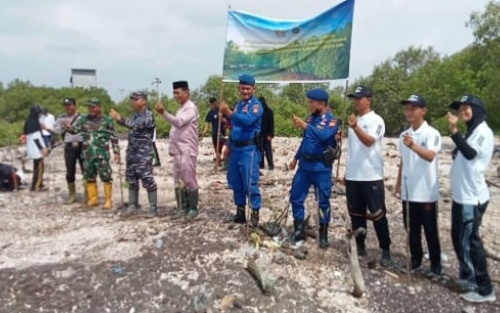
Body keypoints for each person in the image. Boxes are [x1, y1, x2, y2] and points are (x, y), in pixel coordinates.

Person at [446, 95, 495, 303]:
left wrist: (455, 132)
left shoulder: (483, 131)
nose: (463, 111)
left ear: (477, 109)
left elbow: (471, 154)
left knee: (470, 241)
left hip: (472, 198)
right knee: (458, 236)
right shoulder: (473, 131)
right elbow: (463, 150)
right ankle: (467, 276)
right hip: (461, 195)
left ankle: (484, 289)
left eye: (467, 107)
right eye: (461, 108)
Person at [395, 94, 442, 276]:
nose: (410, 112)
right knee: (411, 229)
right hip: (409, 190)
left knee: (430, 230)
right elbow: (403, 161)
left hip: (426, 191)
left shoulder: (432, 134)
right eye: (407, 108)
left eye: (413, 108)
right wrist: (398, 184)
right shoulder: (403, 135)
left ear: (423, 110)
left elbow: (430, 156)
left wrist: (414, 146)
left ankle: (436, 266)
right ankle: (415, 260)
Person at [345, 86, 392, 266]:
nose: (356, 101)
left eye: (359, 98)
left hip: (371, 175)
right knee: (356, 213)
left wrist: (355, 127)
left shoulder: (376, 120)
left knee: (378, 213)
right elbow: (353, 149)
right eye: (354, 98)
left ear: (368, 99)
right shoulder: (354, 121)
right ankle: (360, 245)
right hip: (353, 175)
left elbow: (369, 141)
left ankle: (385, 248)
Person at [288, 89, 338, 248]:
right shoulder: (310, 119)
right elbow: (305, 142)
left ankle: (323, 233)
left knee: (323, 201)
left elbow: (323, 136)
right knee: (296, 196)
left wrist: (305, 126)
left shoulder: (331, 121)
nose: (309, 105)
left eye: (312, 102)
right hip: (305, 166)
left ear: (321, 104)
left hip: (321, 167)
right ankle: (299, 229)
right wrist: (296, 158)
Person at [219, 74, 263, 229]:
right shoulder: (238, 105)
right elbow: (235, 128)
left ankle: (255, 215)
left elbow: (247, 121)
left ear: (253, 89)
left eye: (248, 88)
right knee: (235, 181)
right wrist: (228, 146)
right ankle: (240, 212)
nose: (245, 91)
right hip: (236, 149)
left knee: (250, 183)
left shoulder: (256, 105)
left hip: (248, 150)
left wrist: (229, 113)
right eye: (243, 88)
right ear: (239, 88)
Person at [64, 98, 120, 209]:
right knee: (89, 176)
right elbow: (75, 131)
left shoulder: (107, 120)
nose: (91, 109)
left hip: (102, 153)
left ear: (99, 107)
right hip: (87, 153)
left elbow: (114, 137)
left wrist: (116, 152)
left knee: (106, 176)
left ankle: (108, 200)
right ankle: (93, 199)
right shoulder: (83, 119)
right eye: (89, 107)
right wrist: (68, 128)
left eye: (93, 107)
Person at [156, 81, 200, 218]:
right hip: (178, 150)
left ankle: (193, 209)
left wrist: (163, 113)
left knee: (188, 178)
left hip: (187, 150)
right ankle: (182, 208)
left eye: (178, 93)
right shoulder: (181, 108)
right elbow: (175, 129)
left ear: (187, 93)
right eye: (174, 93)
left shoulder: (190, 108)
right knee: (178, 179)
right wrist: (171, 147)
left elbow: (178, 122)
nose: (175, 96)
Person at [110, 91, 158, 217]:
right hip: (133, 152)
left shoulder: (148, 115)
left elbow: (135, 126)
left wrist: (119, 118)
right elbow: (131, 124)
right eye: (132, 99)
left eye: (136, 99)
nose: (133, 102)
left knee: (147, 179)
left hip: (143, 153)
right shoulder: (135, 115)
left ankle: (153, 208)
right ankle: (133, 204)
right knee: (131, 178)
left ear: (144, 101)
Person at [53, 97, 85, 204]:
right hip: (69, 146)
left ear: (75, 105)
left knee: (85, 169)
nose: (69, 107)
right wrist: (64, 127)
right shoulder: (62, 118)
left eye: (70, 105)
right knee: (70, 170)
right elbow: (56, 130)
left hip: (82, 145)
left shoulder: (81, 117)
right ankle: (72, 194)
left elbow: (86, 129)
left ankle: (88, 193)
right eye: (66, 105)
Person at [23, 105, 48, 191]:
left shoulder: (28, 121)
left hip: (33, 148)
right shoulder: (34, 122)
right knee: (39, 168)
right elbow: (36, 137)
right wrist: (42, 148)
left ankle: (35, 185)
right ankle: (37, 185)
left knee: (36, 167)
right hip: (36, 149)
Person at [202, 97, 227, 164]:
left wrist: (222, 119)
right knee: (216, 147)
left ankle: (220, 160)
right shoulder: (210, 113)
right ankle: (218, 161)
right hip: (214, 132)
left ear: (216, 102)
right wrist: (205, 131)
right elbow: (207, 123)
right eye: (212, 104)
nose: (213, 104)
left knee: (220, 147)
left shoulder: (221, 111)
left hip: (221, 132)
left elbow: (227, 121)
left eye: (214, 103)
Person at [259, 96, 275, 171]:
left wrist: (271, 134)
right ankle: (261, 164)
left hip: (267, 134)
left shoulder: (269, 112)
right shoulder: (258, 112)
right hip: (259, 134)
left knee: (268, 150)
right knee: (260, 150)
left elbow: (271, 124)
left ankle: (270, 165)